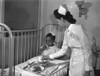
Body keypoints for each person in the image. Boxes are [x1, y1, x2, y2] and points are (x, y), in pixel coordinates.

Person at [41, 4, 94, 76]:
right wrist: (49, 57)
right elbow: (63, 50)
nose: (58, 23)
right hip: (73, 60)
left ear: (62, 19)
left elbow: (87, 50)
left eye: (57, 21)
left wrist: (87, 70)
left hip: (83, 62)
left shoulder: (78, 28)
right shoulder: (66, 32)